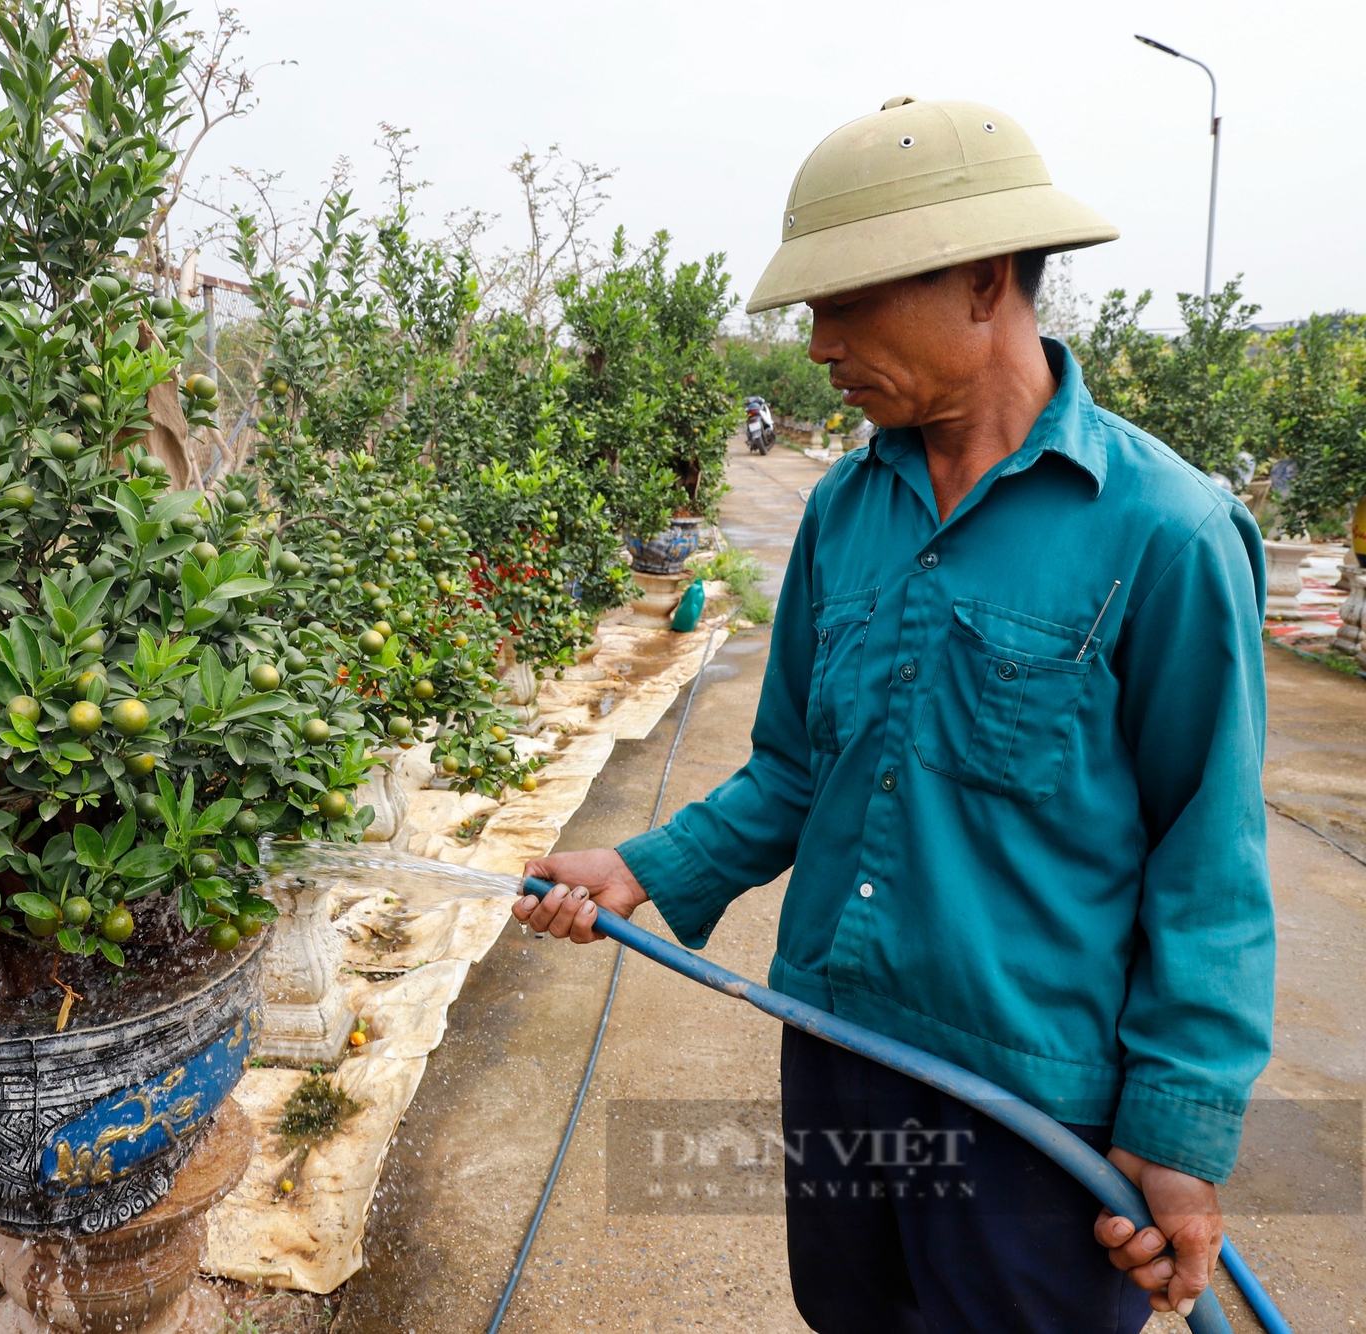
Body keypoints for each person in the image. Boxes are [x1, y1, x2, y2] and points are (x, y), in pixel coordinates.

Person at [518, 96, 1271, 1332]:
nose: (817, 346)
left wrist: (1177, 1129)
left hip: (1032, 1112)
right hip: (835, 1049)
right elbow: (793, 768)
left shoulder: (1165, 532)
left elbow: (1209, 860)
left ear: (984, 282)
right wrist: (637, 865)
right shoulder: (842, 513)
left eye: (846, 303)